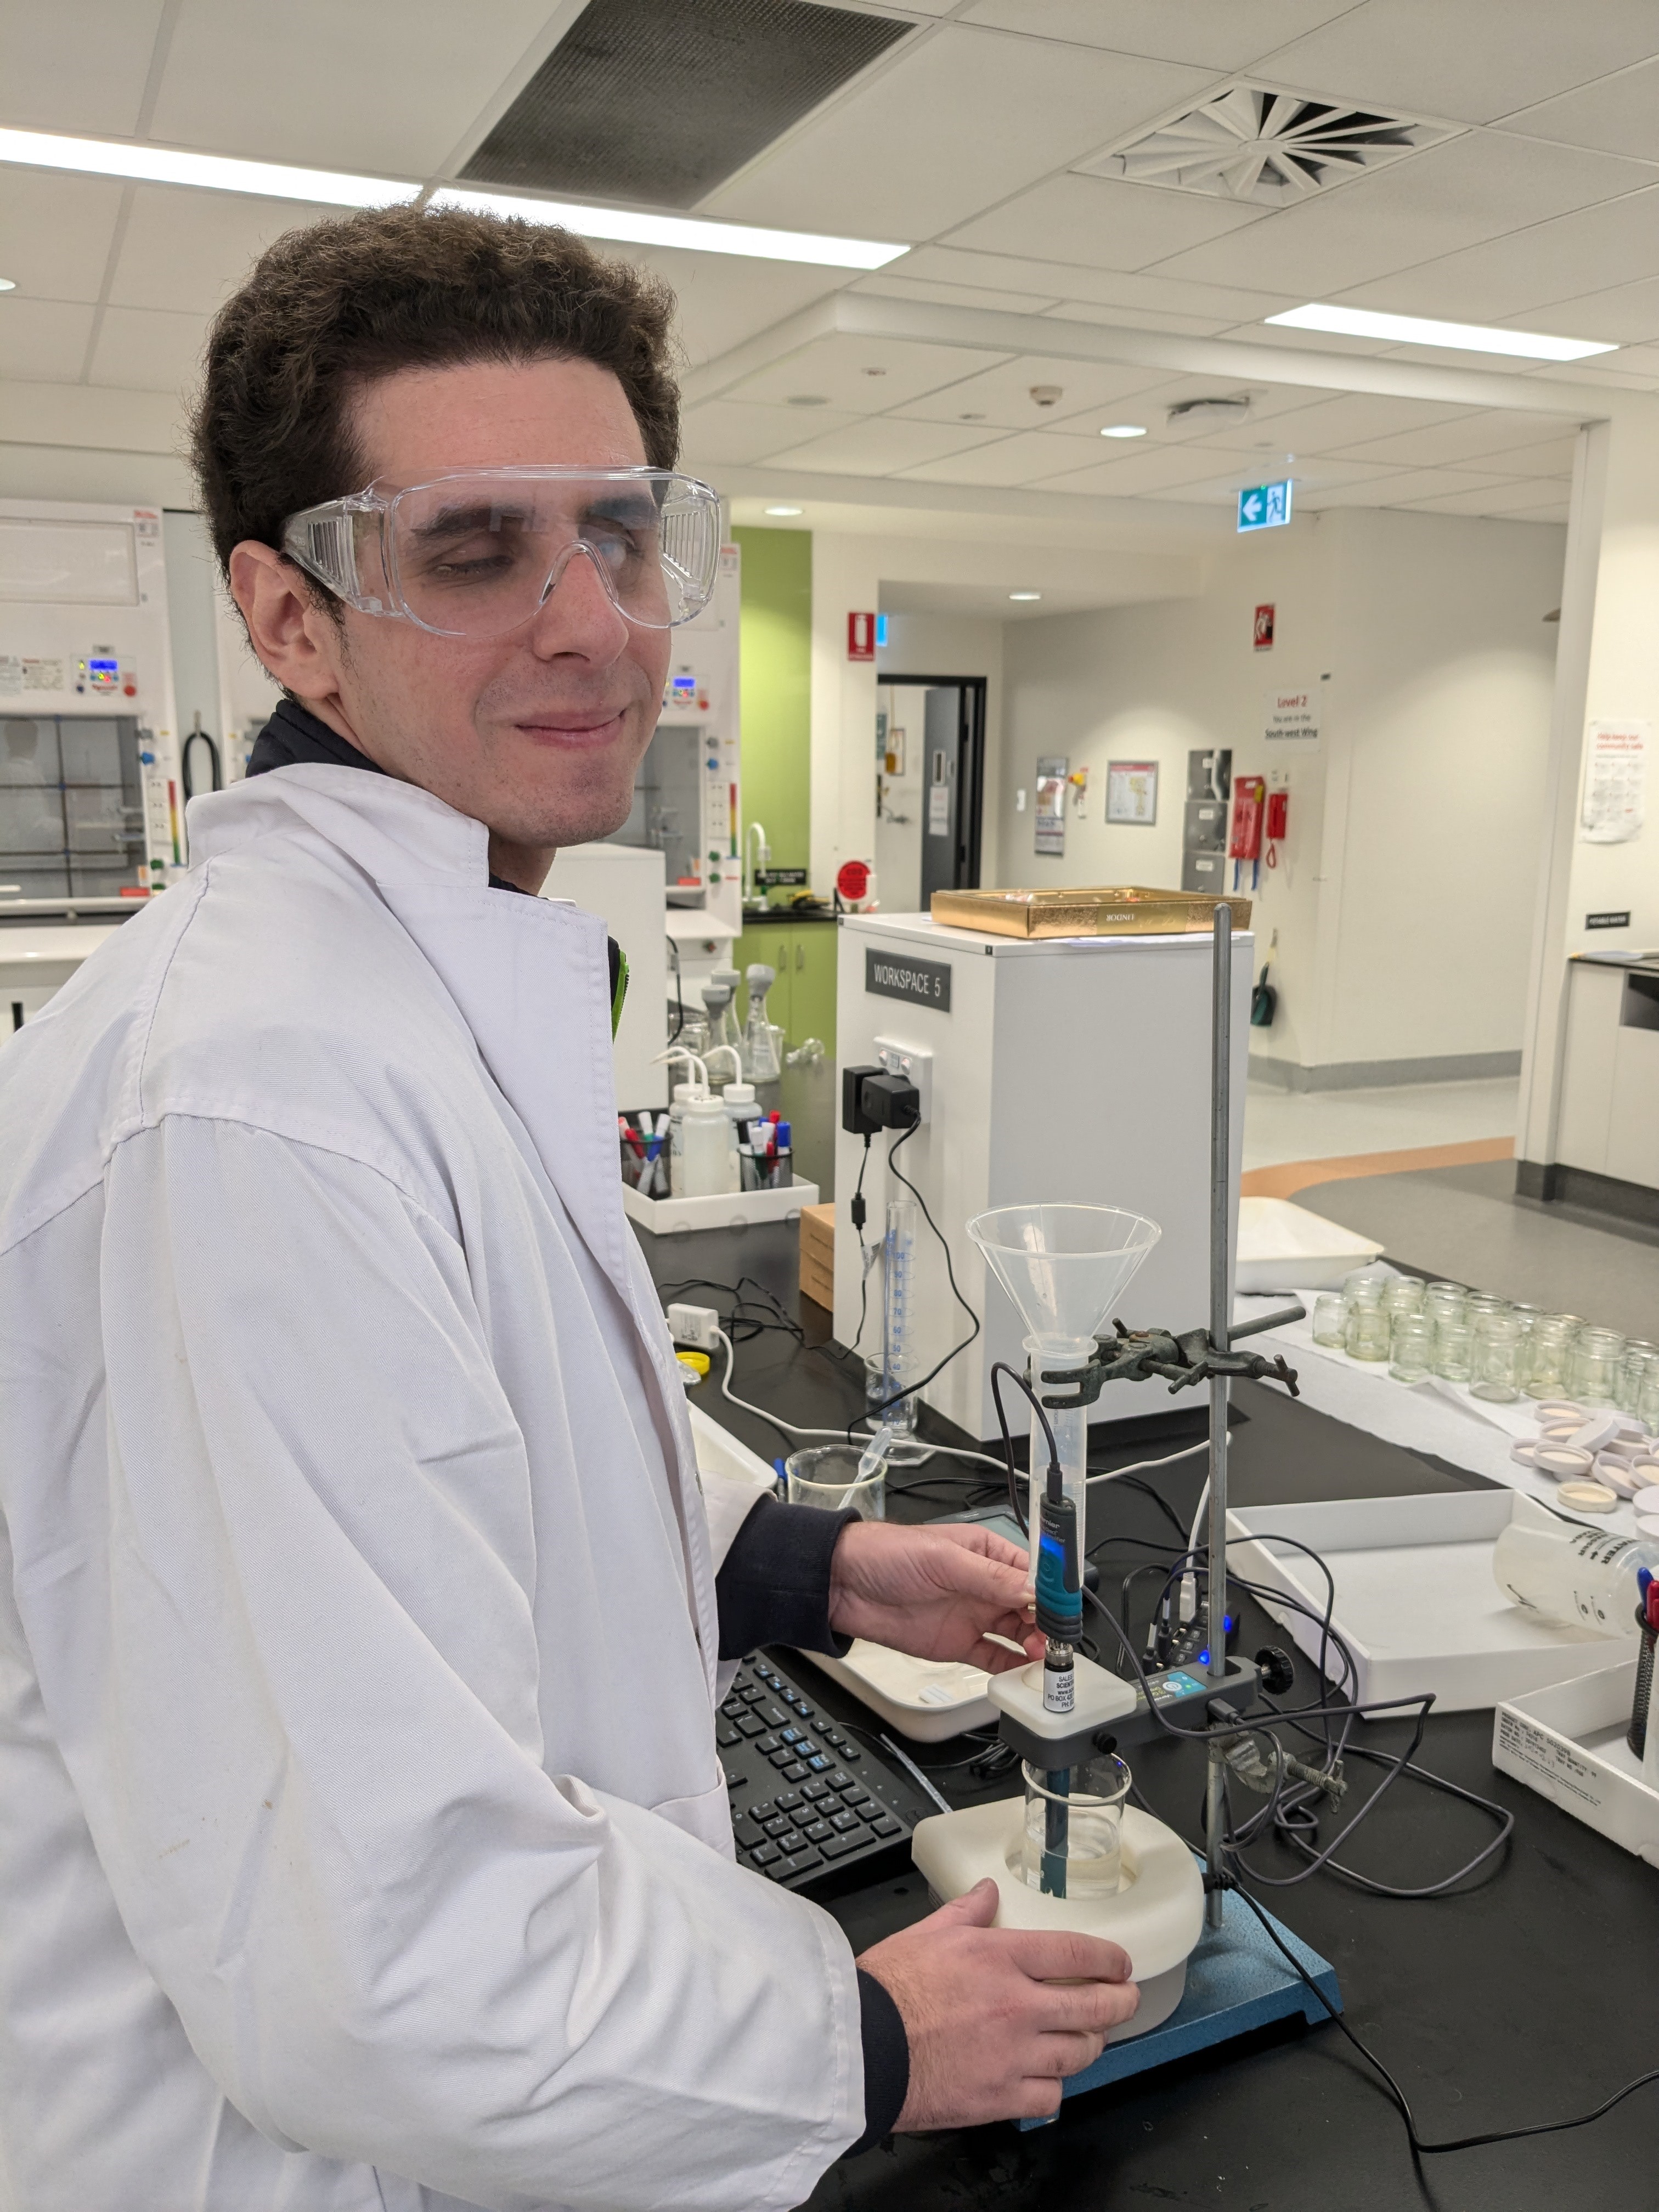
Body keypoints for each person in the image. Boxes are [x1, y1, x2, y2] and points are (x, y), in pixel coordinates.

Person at [0, 205, 1137, 2212]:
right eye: (471, 549)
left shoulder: (415, 968)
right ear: (286, 620)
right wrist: (866, 2041)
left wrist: (801, 1568)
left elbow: (461, 1456)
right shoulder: (256, 1108)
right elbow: (389, 1964)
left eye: (620, 534)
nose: (591, 620)